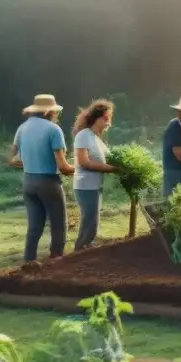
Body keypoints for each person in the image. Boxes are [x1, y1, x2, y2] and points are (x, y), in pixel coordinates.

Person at [8, 94, 75, 262]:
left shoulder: (22, 128)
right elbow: (63, 166)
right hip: (48, 182)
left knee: (34, 226)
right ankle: (57, 258)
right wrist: (79, 169)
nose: (56, 114)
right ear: (48, 112)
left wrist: (31, 163)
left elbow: (12, 159)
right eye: (54, 111)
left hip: (28, 182)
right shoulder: (53, 130)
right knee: (58, 222)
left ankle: (28, 261)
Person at [72, 99, 117, 251]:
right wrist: (110, 169)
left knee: (93, 220)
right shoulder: (83, 135)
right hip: (85, 185)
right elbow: (84, 162)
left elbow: (110, 157)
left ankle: (87, 249)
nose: (108, 123)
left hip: (95, 186)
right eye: (105, 119)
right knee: (89, 220)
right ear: (96, 118)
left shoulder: (96, 139)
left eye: (109, 120)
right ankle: (79, 250)